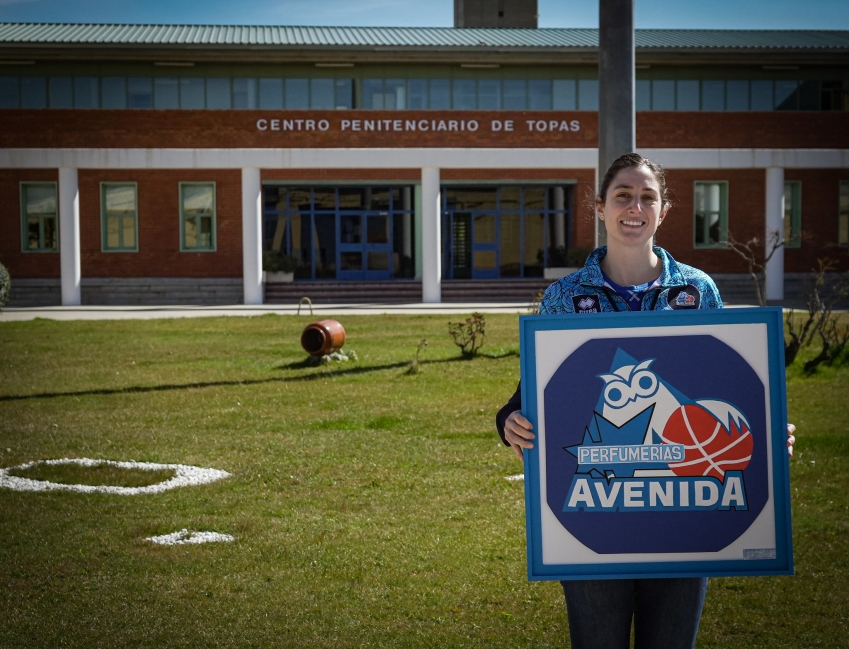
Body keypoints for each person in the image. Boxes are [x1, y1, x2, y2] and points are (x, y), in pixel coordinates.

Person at [495, 153, 795, 649]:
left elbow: (723, 384)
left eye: (647, 197)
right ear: (599, 207)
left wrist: (766, 430)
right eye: (622, 196)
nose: (635, 207)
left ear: (664, 210)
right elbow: (534, 394)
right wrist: (509, 420)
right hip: (594, 517)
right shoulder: (565, 298)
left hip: (684, 514)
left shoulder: (698, 291)